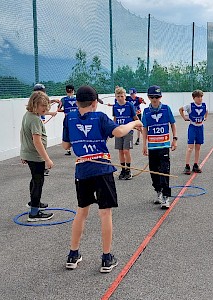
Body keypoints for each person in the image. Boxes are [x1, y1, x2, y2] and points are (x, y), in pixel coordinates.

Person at [62, 85, 142, 272]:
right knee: (104, 213)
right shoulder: (100, 117)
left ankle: (73, 255)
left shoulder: (69, 118)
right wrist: (135, 124)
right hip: (102, 170)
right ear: (93, 103)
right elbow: (120, 132)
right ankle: (106, 257)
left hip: (82, 171)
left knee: (82, 211)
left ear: (77, 102)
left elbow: (66, 145)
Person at [20, 91, 54, 221]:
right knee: (38, 182)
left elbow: (22, 134)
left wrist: (23, 153)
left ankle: (34, 203)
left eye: (47, 106)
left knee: (35, 180)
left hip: (29, 154)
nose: (45, 109)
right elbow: (37, 141)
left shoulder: (28, 115)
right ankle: (34, 213)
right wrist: (47, 159)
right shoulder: (34, 119)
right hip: (35, 156)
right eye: (42, 106)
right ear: (34, 105)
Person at [142, 85, 177, 209]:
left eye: (157, 97)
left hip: (164, 146)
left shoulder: (166, 109)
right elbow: (144, 128)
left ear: (160, 97)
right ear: (148, 97)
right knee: (154, 171)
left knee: (164, 171)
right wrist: (144, 145)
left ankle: (166, 197)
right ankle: (158, 192)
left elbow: (172, 124)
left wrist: (175, 139)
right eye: (152, 97)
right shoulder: (146, 112)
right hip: (152, 147)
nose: (154, 99)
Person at [179, 89, 208, 174]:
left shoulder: (204, 105)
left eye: (201, 97)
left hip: (200, 127)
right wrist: (184, 117)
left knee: (198, 147)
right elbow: (180, 109)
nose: (200, 99)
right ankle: (187, 166)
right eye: (198, 97)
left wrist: (205, 118)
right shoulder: (190, 106)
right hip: (193, 127)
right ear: (194, 98)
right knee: (190, 148)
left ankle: (195, 165)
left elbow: (206, 111)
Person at [113, 87, 138, 180]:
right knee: (120, 150)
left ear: (125, 96)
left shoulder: (129, 105)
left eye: (122, 96)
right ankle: (123, 169)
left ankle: (128, 169)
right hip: (119, 130)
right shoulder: (115, 106)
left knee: (126, 150)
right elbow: (115, 118)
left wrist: (139, 125)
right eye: (118, 96)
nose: (120, 98)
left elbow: (134, 117)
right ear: (116, 97)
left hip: (128, 130)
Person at [33, 83, 58, 176]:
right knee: (40, 144)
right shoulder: (36, 103)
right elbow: (40, 110)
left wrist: (53, 101)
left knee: (41, 144)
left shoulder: (36, 99)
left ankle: (41, 166)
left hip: (40, 123)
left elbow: (44, 104)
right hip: (38, 124)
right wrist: (51, 113)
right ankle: (42, 167)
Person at [58, 84, 77, 155]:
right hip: (76, 118)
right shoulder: (77, 99)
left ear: (66, 91)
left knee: (67, 133)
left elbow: (58, 109)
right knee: (76, 132)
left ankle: (68, 150)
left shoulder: (63, 99)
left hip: (67, 118)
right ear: (73, 91)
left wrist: (65, 110)